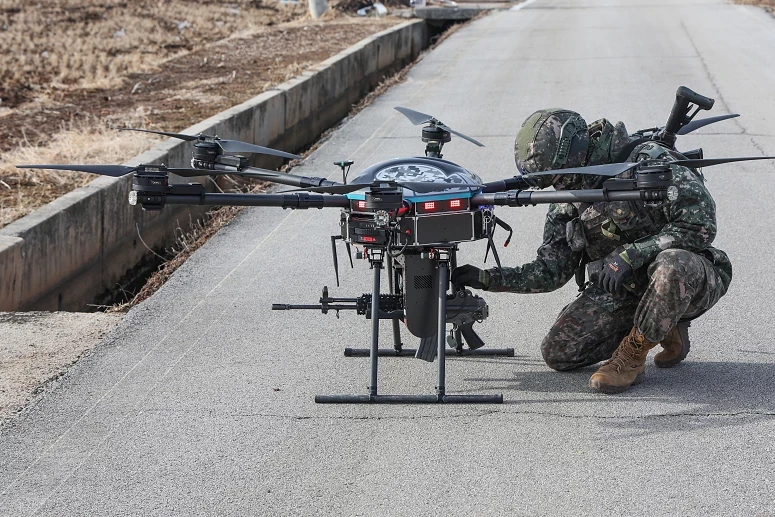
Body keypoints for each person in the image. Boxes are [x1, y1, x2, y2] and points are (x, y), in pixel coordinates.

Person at [451, 109, 732, 393]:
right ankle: (661, 322)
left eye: (557, 177)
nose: (555, 185)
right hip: (625, 288)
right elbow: (550, 271)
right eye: (549, 180)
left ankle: (633, 354)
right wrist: (486, 278)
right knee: (559, 352)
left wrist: (630, 254)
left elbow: (700, 227)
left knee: (672, 264)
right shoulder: (567, 197)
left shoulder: (649, 161)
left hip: (690, 276)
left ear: (576, 154)